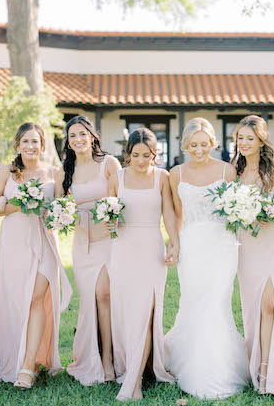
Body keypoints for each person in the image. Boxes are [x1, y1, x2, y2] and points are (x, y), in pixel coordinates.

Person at [164, 117, 250, 399]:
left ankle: (218, 369)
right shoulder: (176, 173)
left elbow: (239, 208)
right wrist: (174, 244)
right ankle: (189, 363)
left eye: (203, 143)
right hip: (192, 246)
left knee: (216, 302)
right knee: (192, 302)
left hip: (222, 246)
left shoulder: (228, 170)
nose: (198, 149)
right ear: (185, 144)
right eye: (193, 144)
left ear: (212, 143)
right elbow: (176, 214)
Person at [0, 122, 72, 388]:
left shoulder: (55, 173)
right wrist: (16, 204)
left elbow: (61, 207)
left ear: (43, 145)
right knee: (17, 299)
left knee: (37, 297)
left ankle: (28, 365)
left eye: (35, 141)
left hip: (44, 240)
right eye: (25, 142)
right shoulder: (5, 172)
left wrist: (56, 214)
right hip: (14, 242)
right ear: (18, 145)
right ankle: (15, 355)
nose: (31, 146)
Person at [108, 128, 178, 400]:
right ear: (127, 155)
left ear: (154, 155)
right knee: (129, 313)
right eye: (135, 155)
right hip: (123, 249)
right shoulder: (117, 177)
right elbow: (109, 212)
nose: (140, 160)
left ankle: (135, 381)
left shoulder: (163, 177)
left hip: (151, 248)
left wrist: (174, 242)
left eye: (146, 155)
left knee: (148, 311)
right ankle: (133, 366)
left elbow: (169, 213)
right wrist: (109, 222)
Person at [56, 116, 120, 386]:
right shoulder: (64, 172)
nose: (78, 139)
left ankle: (108, 360)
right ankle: (89, 356)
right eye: (72, 136)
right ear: (68, 142)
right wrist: (66, 217)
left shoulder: (109, 163)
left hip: (108, 240)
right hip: (82, 243)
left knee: (104, 295)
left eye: (82, 134)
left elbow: (120, 200)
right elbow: (60, 209)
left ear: (92, 136)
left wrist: (113, 216)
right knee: (89, 300)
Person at [230, 115, 274, 395]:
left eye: (249, 138)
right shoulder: (234, 170)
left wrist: (270, 212)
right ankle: (254, 365)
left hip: (273, 241)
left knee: (271, 304)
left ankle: (269, 369)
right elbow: (228, 206)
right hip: (247, 244)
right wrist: (241, 215)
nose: (243, 143)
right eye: (240, 138)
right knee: (253, 306)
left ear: (261, 140)